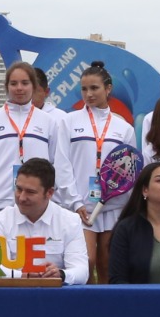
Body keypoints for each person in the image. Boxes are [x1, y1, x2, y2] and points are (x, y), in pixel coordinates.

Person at [0, 62, 77, 225]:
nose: (19, 88)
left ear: (33, 86)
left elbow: (57, 162)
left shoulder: (48, 122)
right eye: (13, 83)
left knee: (32, 250)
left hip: (35, 205)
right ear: (7, 87)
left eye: (25, 83)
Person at [64, 65, 137, 284]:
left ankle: (108, 312)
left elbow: (130, 170)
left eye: (94, 88)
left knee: (108, 263)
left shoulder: (123, 128)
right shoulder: (68, 121)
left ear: (108, 89)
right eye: (84, 89)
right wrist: (75, 202)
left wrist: (114, 200)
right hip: (81, 207)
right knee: (87, 262)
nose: (89, 94)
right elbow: (62, 163)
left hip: (111, 206)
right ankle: (86, 312)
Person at [0, 158, 88, 284]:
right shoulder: (0, 220)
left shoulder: (70, 221)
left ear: (49, 193)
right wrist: (23, 276)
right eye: (18, 189)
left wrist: (60, 274)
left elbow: (82, 271)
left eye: (30, 192)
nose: (21, 198)